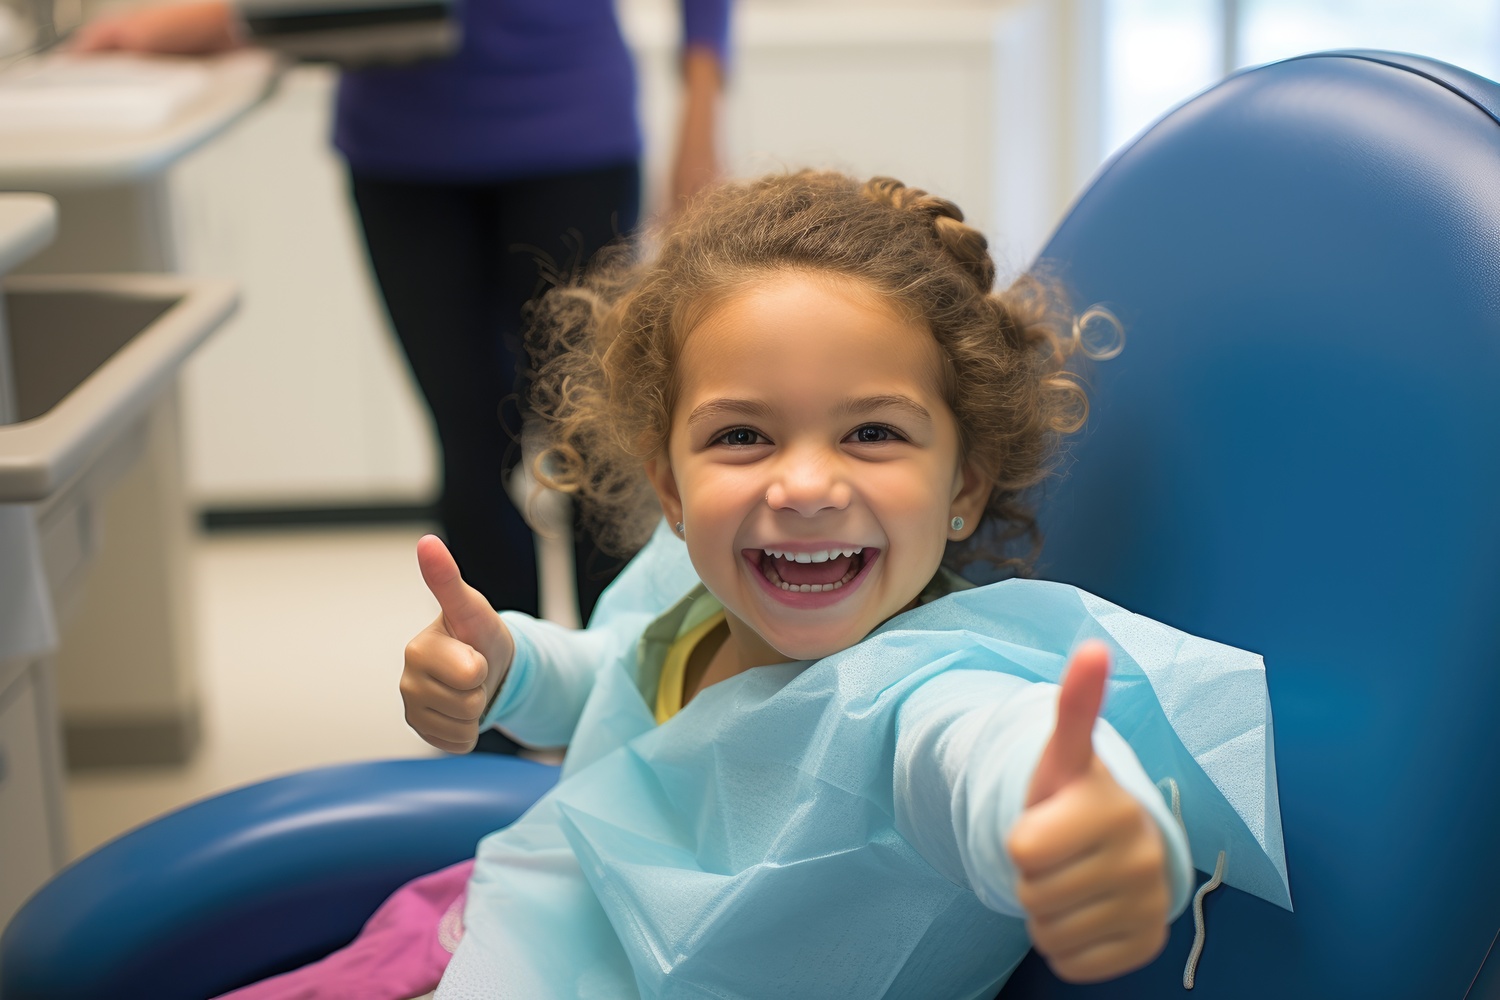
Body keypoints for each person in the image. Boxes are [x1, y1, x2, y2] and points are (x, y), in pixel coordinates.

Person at [221, 171, 1281, 999]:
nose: (807, 484)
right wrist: (504, 666)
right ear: (669, 487)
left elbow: (983, 753)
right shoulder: (691, 593)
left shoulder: (918, 693)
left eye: (872, 432)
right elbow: (612, 688)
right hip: (535, 927)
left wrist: (1076, 818)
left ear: (965, 485)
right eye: (741, 435)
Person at [72, 0, 732, 629]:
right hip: (403, 153)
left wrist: (700, 118)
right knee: (470, 444)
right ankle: (497, 708)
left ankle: (619, 702)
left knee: (595, 440)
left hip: (570, 136)